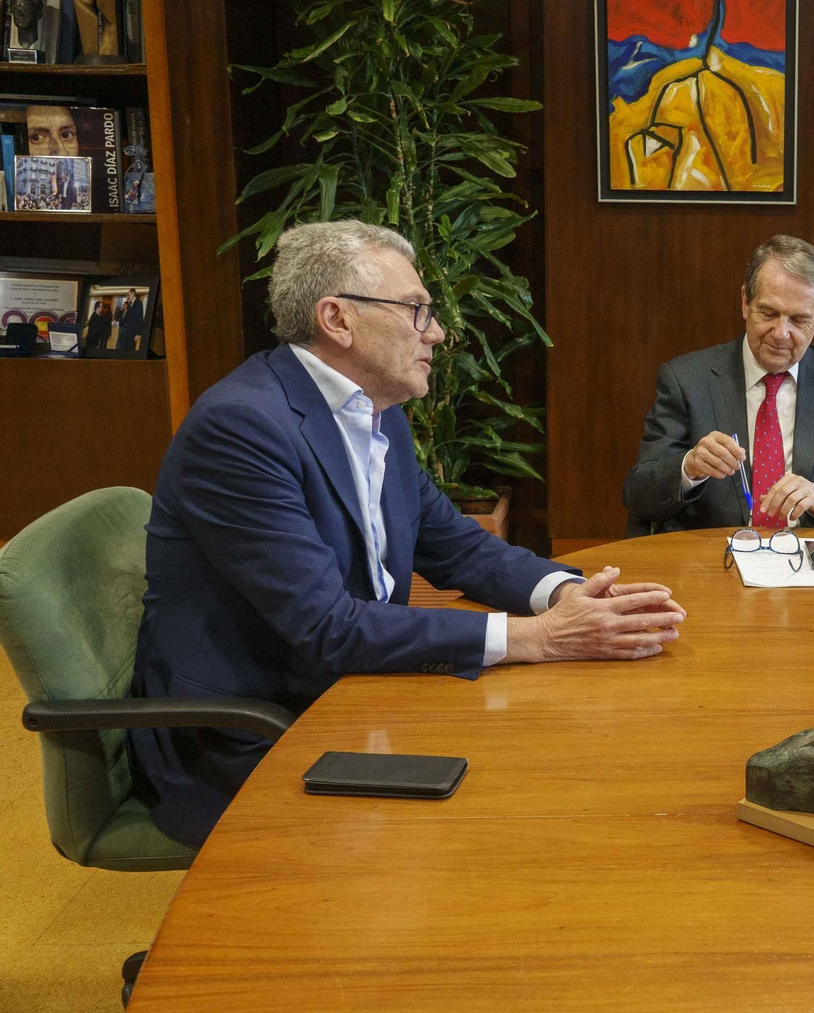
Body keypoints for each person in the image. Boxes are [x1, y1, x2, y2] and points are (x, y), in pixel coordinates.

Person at [131, 220, 687, 846]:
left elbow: (455, 543)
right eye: (418, 310)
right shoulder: (241, 428)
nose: (439, 333)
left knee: (553, 763)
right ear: (337, 319)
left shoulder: (375, 411)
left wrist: (564, 594)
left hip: (349, 692)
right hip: (252, 730)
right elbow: (327, 627)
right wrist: (541, 638)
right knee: (508, 813)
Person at [623, 235, 814, 535]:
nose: (781, 333)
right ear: (746, 302)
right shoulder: (687, 379)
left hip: (809, 554)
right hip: (716, 555)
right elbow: (639, 493)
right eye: (769, 313)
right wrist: (688, 468)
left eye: (798, 320)